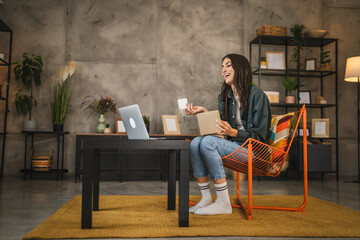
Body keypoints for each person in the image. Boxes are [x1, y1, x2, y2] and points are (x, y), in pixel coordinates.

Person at [185, 54, 271, 215]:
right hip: (235, 147)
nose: (224, 69)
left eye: (228, 65)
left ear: (240, 68)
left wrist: (234, 132)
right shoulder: (225, 96)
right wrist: (203, 112)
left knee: (208, 142)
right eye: (222, 66)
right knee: (196, 142)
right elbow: (222, 131)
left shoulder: (257, 95)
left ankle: (224, 203)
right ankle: (206, 198)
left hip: (255, 152)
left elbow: (260, 136)